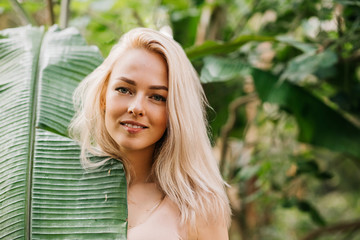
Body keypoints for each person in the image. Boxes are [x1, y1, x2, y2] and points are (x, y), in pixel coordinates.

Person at [69, 27, 231, 240]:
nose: (136, 108)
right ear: (103, 97)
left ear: (175, 110)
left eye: (157, 97)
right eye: (124, 89)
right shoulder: (65, 183)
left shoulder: (199, 205)